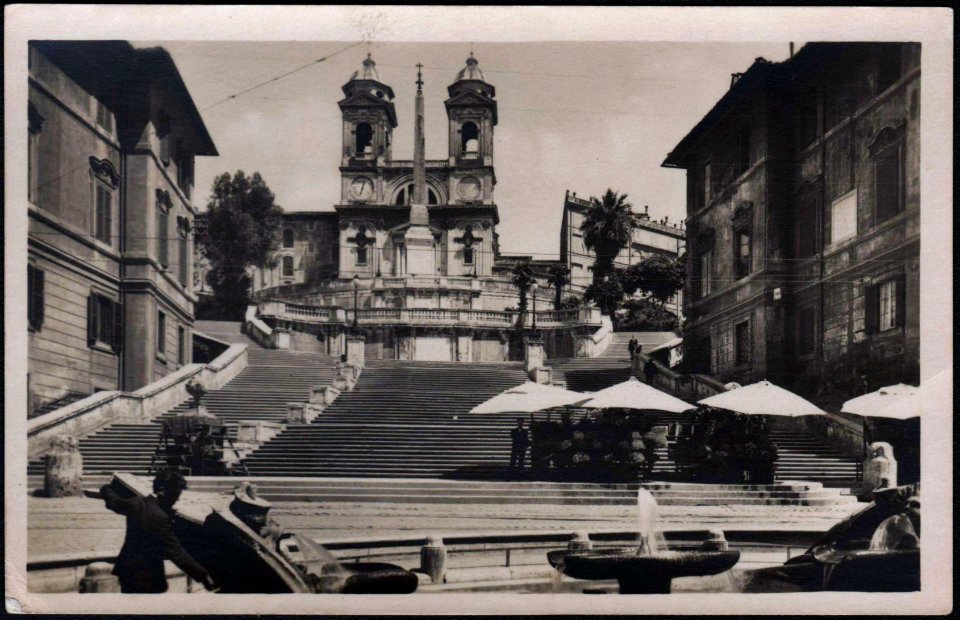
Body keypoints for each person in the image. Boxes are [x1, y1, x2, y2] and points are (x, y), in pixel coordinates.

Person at [100, 469, 218, 593]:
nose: (176, 500)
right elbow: (175, 551)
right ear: (162, 490)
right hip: (146, 577)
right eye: (174, 495)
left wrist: (106, 487)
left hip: (126, 569)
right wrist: (203, 576)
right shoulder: (159, 517)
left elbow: (113, 501)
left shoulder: (136, 503)